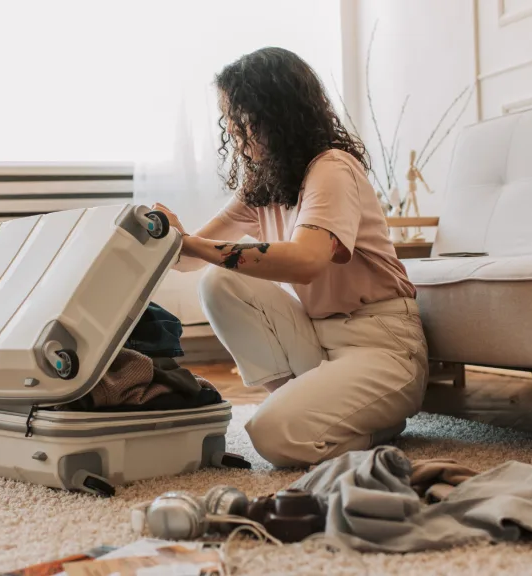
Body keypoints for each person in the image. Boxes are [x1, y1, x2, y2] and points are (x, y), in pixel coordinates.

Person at [151, 47, 428, 468]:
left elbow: (306, 260)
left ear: (277, 115)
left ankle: (373, 427)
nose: (234, 131)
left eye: (240, 118)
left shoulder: (333, 168)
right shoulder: (262, 187)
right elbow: (190, 259)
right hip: (317, 339)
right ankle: (307, 405)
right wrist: (165, 236)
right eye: (229, 119)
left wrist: (192, 245)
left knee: (273, 436)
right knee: (219, 280)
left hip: (381, 344)